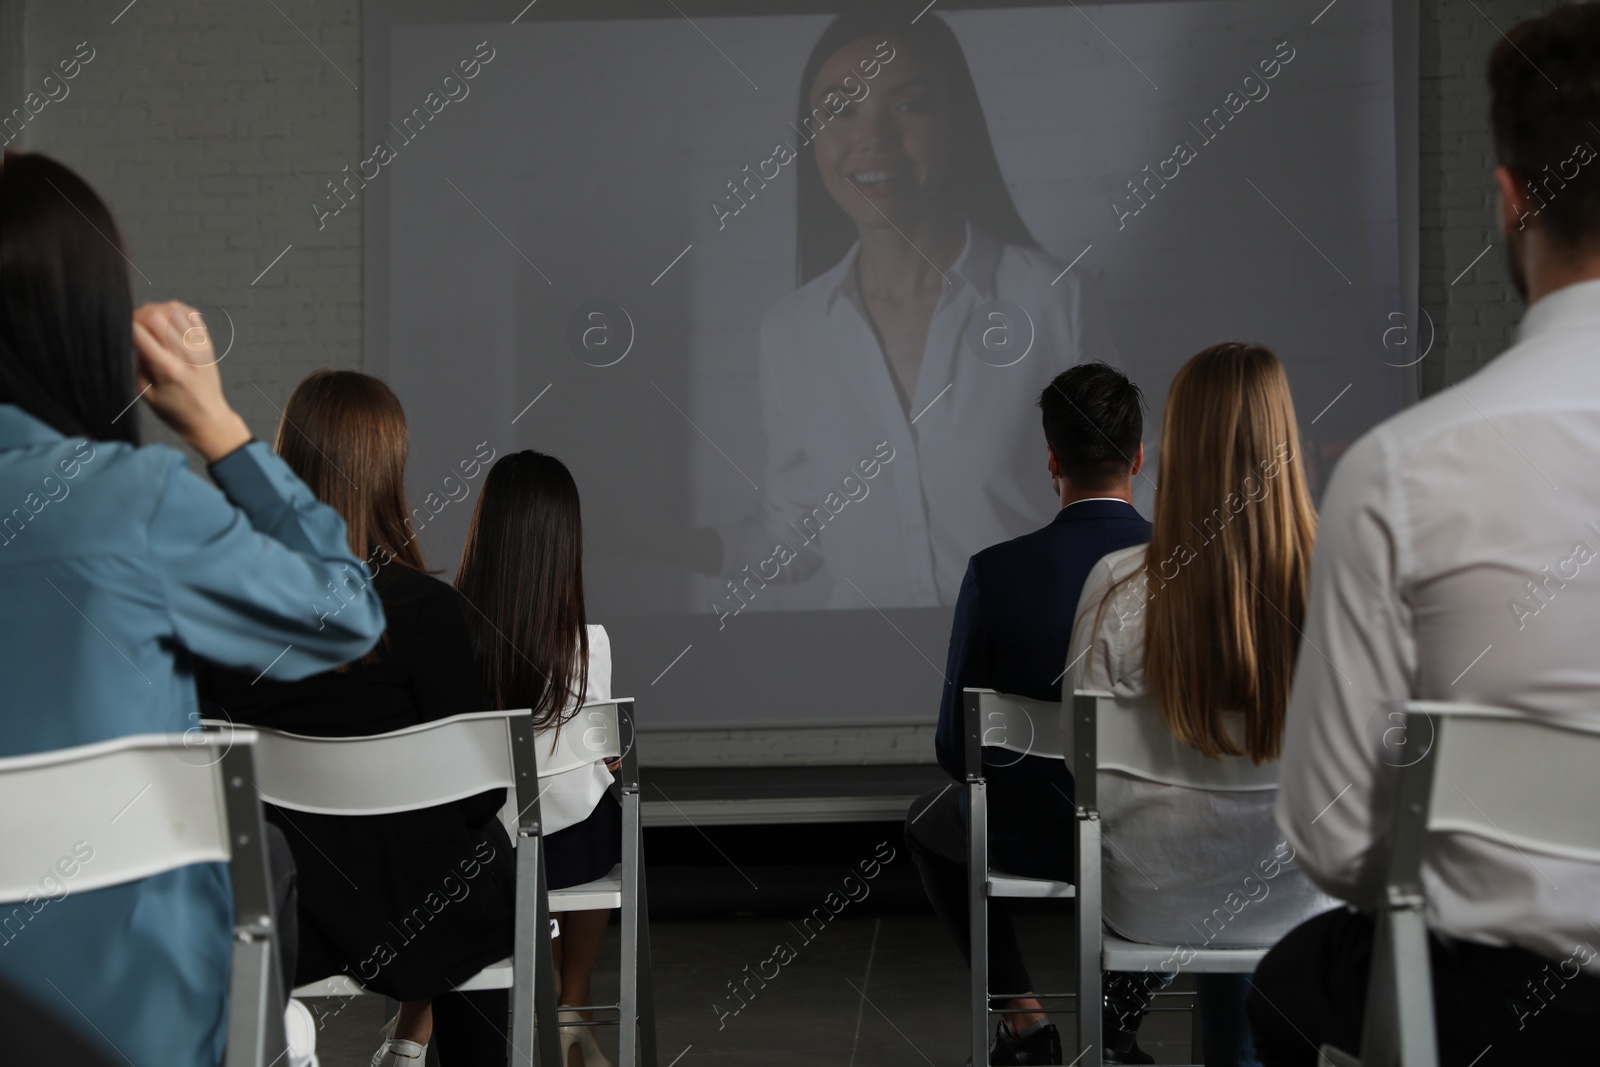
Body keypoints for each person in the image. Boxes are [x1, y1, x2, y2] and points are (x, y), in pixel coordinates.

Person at [1251, 6, 1600, 1062]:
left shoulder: (1402, 471)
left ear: (1507, 200)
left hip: (1517, 1013)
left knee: (1286, 987)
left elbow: (1331, 834)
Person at [0, 151, 384, 1067]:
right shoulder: (129, 501)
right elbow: (345, 613)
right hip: (138, 1018)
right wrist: (215, 422)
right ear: (90, 320)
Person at [700, 10, 1120, 609]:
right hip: (859, 686)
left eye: (909, 105)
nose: (873, 137)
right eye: (841, 110)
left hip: (1023, 678)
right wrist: (629, 539)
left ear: (956, 124)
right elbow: (792, 538)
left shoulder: (1056, 300)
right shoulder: (789, 332)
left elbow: (1126, 502)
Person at [200, 371, 513, 1066]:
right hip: (423, 917)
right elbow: (478, 795)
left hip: (284, 915)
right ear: (389, 468)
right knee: (493, 852)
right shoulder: (425, 612)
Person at [1068, 344, 1337, 1067]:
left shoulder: (1117, 588)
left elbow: (1080, 763)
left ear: (1175, 449)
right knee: (1264, 853)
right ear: (1287, 440)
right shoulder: (1345, 583)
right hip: (1301, 903)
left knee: (1222, 857)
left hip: (1156, 902)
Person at [905, 363, 1154, 1065]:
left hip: (1029, 836)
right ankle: (1120, 1026)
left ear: (1052, 461)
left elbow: (958, 753)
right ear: (1140, 456)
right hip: (1150, 842)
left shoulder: (995, 572)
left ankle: (1023, 1019)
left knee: (930, 823)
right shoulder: (1190, 569)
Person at [456, 450, 621, 1067]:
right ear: (564, 542)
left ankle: (547, 991)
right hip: (570, 855)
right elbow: (606, 756)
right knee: (595, 801)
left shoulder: (452, 634)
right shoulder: (588, 644)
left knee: (522, 827)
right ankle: (573, 999)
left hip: (484, 853)